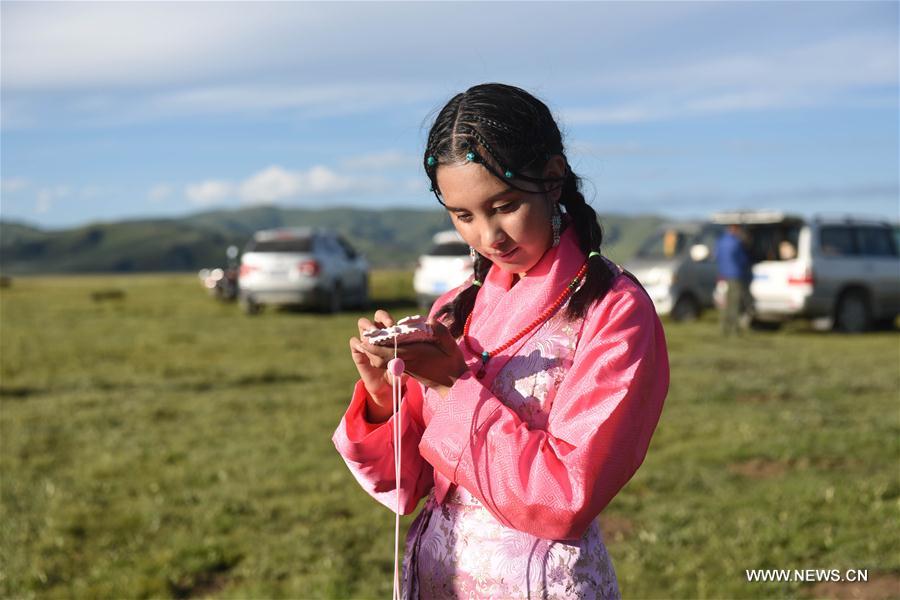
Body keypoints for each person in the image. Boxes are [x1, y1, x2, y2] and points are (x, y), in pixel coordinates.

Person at [332, 83, 669, 599]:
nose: (489, 237)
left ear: (553, 179)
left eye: (505, 206)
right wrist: (385, 399)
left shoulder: (613, 311)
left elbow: (567, 497)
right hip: (435, 578)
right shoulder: (452, 309)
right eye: (463, 216)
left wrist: (451, 384)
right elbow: (413, 485)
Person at [715, 224, 752, 336]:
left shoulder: (720, 241)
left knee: (724, 302)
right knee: (734, 303)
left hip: (723, 275)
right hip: (735, 275)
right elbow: (742, 259)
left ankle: (723, 327)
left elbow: (717, 256)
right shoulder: (736, 243)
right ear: (734, 229)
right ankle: (734, 329)